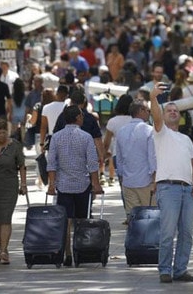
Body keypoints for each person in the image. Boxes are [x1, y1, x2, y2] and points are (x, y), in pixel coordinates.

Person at [149, 82, 193, 283]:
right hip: (168, 187)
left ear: (180, 116)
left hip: (187, 190)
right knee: (168, 233)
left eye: (175, 110)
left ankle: (180, 269)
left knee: (186, 234)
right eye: (168, 110)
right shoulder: (160, 132)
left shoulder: (186, 139)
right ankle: (164, 270)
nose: (172, 112)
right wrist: (154, 98)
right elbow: (155, 114)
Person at [46, 105, 102, 267]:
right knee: (81, 220)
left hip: (63, 185)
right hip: (82, 185)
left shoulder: (56, 137)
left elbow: (52, 163)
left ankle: (67, 253)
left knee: (66, 221)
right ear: (78, 118)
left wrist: (51, 185)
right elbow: (92, 164)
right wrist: (96, 184)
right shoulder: (86, 137)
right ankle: (81, 249)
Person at [0, 117, 26, 265]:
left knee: (5, 217)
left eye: (5, 132)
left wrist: (24, 184)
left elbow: (21, 165)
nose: (3, 136)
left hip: (9, 185)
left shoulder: (15, 145)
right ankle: (2, 249)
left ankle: (3, 251)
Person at [115, 99, 156, 219]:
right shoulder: (149, 131)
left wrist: (122, 178)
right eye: (148, 110)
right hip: (146, 181)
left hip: (128, 182)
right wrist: (155, 180)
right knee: (149, 218)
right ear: (141, 110)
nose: (149, 113)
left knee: (133, 219)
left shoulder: (121, 131)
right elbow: (152, 157)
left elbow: (119, 158)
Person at [101, 94, 134, 187]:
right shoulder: (136, 120)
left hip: (117, 155)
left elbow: (106, 143)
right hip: (133, 155)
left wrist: (102, 156)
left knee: (123, 183)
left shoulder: (112, 121)